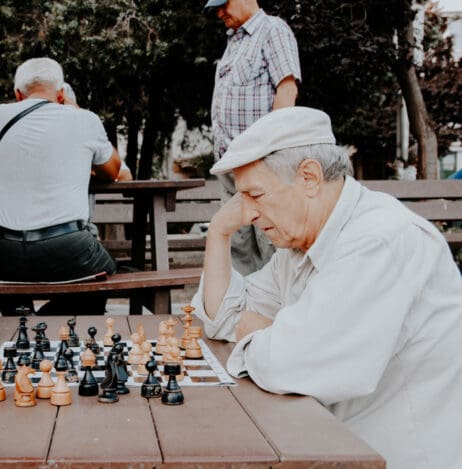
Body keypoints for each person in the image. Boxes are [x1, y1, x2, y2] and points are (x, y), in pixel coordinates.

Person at [191, 106, 462, 468]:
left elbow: (289, 363)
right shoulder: (300, 243)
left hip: (395, 455)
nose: (249, 214)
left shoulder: (379, 241)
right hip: (330, 440)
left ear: (309, 178)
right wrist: (219, 235)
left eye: (255, 195)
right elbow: (223, 319)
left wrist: (267, 332)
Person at [0, 57, 122, 315]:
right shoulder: (83, 119)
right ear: (60, 94)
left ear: (17, 94)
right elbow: (112, 171)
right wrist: (76, 109)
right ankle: (43, 323)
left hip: (0, 253)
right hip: (67, 249)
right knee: (107, 273)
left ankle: (22, 320)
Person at [205, 0, 301, 275]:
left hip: (261, 162)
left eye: (223, 4)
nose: (219, 12)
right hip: (229, 163)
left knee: (270, 242)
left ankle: (277, 314)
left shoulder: (273, 30)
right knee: (237, 247)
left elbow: (287, 90)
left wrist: (270, 152)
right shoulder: (233, 41)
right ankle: (244, 313)